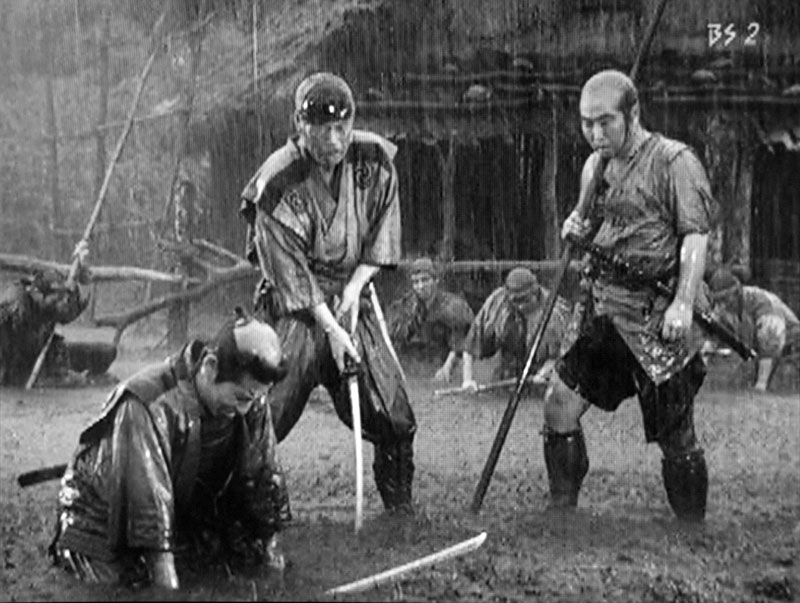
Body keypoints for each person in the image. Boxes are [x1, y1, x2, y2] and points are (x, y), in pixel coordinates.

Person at [239, 72, 417, 515]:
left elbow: (382, 238)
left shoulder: (375, 160)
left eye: (342, 127)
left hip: (351, 297)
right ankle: (247, 516)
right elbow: (290, 276)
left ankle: (400, 513)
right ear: (300, 126)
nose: (335, 140)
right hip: (294, 307)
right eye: (322, 130)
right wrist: (332, 330)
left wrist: (353, 293)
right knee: (260, 418)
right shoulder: (276, 183)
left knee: (393, 414)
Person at [543, 70, 718, 522]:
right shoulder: (595, 167)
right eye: (587, 123)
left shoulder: (674, 162)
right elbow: (588, 224)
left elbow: (695, 236)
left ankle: (692, 526)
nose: (596, 134)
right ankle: (561, 511)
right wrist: (574, 226)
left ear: (633, 113)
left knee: (675, 435)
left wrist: (683, 303)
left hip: (659, 314)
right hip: (609, 310)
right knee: (559, 403)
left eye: (605, 122)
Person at [49, 310, 291, 590]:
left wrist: (272, 560)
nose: (244, 410)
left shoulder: (251, 397)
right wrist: (168, 589)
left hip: (181, 514)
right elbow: (149, 518)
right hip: (98, 525)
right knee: (129, 586)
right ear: (211, 366)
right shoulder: (147, 404)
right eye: (240, 398)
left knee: (239, 559)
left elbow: (263, 478)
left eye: (254, 399)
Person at [460, 267, 570, 391]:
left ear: (535, 293)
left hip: (545, 376)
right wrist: (467, 380)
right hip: (508, 373)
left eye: (525, 300)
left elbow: (564, 353)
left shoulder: (555, 312)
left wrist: (545, 371)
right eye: (516, 301)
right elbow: (472, 343)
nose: (521, 306)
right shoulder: (497, 303)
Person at [707, 268, 800, 391]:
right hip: (761, 356)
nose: (722, 305)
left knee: (767, 336)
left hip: (791, 353)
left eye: (725, 298)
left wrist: (761, 384)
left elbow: (770, 342)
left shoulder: (762, 302)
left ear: (737, 292)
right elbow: (710, 336)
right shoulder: (723, 309)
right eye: (718, 300)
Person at [387, 257, 475, 382]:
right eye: (416, 282)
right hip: (422, 365)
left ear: (436, 280)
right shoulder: (409, 305)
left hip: (454, 365)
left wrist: (448, 366)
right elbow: (396, 338)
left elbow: (464, 339)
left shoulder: (453, 306)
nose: (420, 286)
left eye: (425, 280)